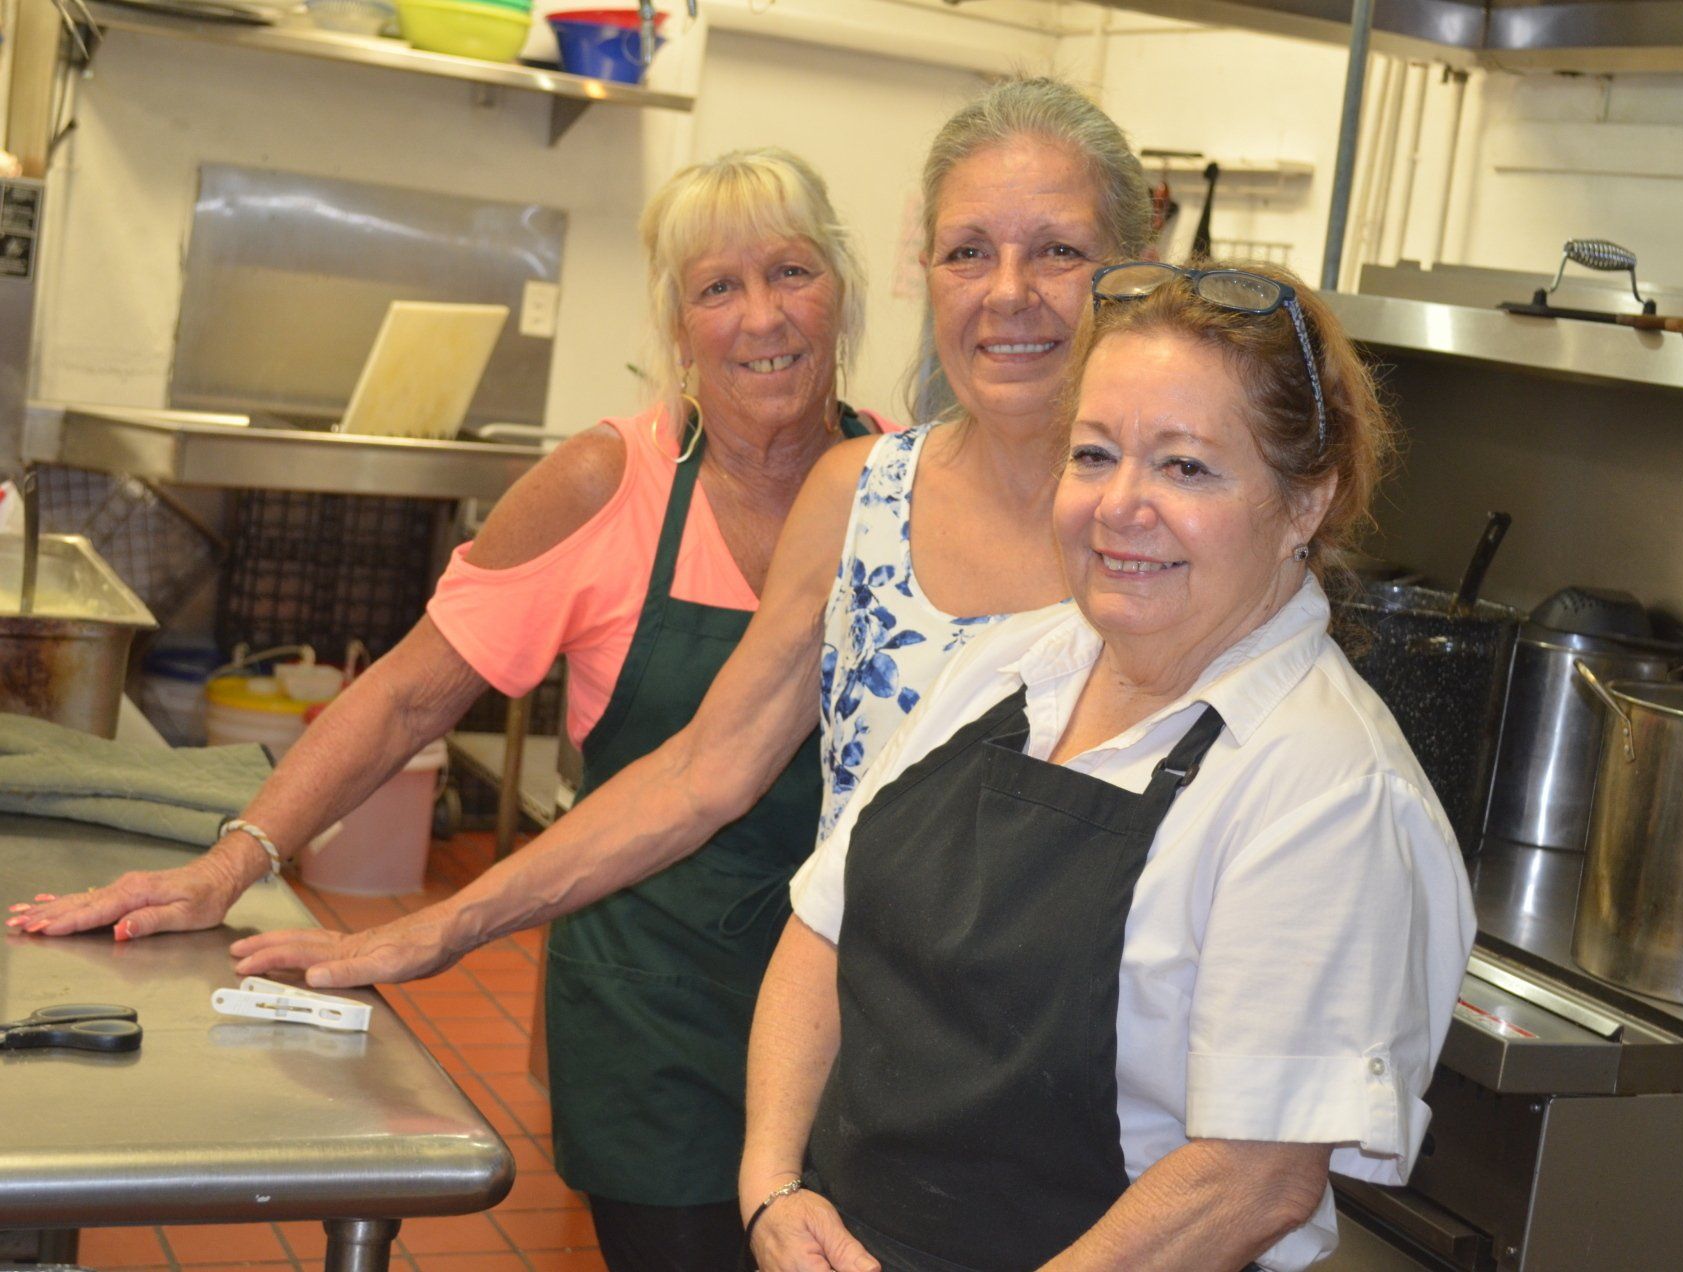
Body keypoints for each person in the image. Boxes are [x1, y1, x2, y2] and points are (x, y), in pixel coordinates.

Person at [10, 147, 881, 1270]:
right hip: (659, 1005)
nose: (763, 316)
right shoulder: (609, 484)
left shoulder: (905, 488)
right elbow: (408, 694)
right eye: (719, 286)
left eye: (792, 272)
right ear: (678, 325)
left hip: (855, 1008)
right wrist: (230, 865)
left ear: (842, 287)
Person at [740, 261, 1478, 1272]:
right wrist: (773, 1187)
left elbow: (1253, 1178)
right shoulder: (1003, 670)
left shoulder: (1328, 788)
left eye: (1186, 468)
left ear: (1305, 501)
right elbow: (824, 928)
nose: (1121, 505)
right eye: (1094, 455)